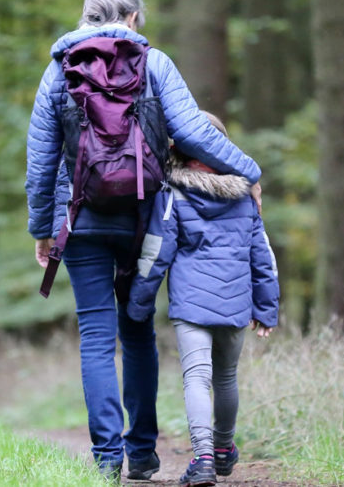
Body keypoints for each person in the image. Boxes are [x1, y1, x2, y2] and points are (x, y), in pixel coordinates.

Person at [25, 0, 263, 481]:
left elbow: (41, 162)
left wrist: (42, 229)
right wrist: (250, 171)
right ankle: (143, 453)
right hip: (144, 218)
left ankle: (107, 459)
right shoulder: (155, 64)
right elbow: (196, 132)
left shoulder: (58, 71)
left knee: (95, 335)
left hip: (82, 219)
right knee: (137, 331)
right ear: (132, 18)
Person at [127, 113, 279, 487]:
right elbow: (263, 256)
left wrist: (138, 303)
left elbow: (156, 252)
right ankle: (225, 449)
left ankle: (205, 458)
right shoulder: (245, 195)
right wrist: (267, 307)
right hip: (236, 302)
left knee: (197, 378)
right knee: (226, 377)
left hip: (192, 306)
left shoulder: (173, 193)